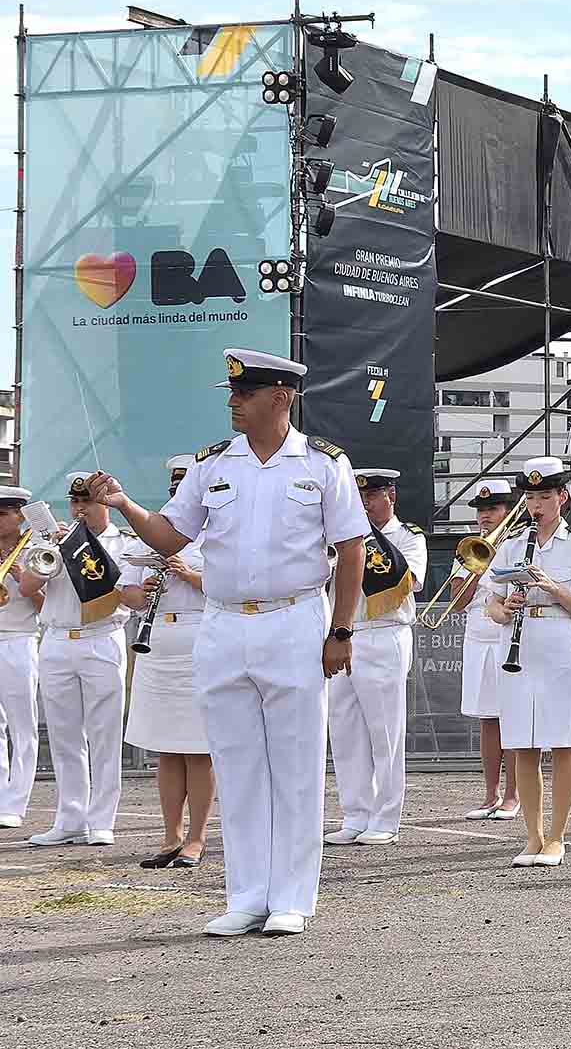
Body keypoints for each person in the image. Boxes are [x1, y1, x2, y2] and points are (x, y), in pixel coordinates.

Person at [89, 347, 370, 937]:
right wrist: (122, 505)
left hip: (293, 619)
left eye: (244, 393)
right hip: (222, 623)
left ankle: (292, 896)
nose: (233, 403)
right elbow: (170, 533)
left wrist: (340, 629)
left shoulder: (323, 464)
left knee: (294, 764)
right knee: (237, 765)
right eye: (231, 394)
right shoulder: (212, 464)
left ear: (280, 396)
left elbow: (350, 549)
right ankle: (246, 895)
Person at [484, 457, 571, 868]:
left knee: (563, 741)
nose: (536, 505)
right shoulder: (512, 544)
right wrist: (506, 606)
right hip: (517, 643)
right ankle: (533, 836)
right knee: (522, 744)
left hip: (557, 644)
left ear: (562, 498)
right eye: (531, 497)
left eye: (545, 497)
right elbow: (492, 605)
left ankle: (557, 837)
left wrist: (553, 589)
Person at [25, 472, 145, 847]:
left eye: (87, 502)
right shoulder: (56, 541)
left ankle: (101, 820)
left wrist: (84, 550)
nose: (80, 509)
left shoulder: (122, 543)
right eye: (75, 502)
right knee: (63, 736)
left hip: (100, 639)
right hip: (57, 639)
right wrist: (51, 548)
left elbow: (129, 594)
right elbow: (28, 588)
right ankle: (70, 816)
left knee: (104, 734)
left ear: (103, 503)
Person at [324, 468, 426, 847]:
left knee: (384, 731)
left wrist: (369, 540)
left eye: (373, 496)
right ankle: (355, 813)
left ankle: (385, 817)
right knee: (345, 729)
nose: (365, 503)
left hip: (384, 634)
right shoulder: (338, 540)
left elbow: (409, 582)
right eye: (360, 497)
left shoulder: (408, 536)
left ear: (391, 497)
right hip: (342, 633)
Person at [123, 456, 214, 868]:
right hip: (157, 637)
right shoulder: (151, 533)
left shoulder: (216, 534)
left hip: (200, 635)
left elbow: (235, 586)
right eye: (175, 487)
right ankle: (170, 834)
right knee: (165, 748)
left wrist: (190, 575)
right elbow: (125, 593)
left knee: (198, 749)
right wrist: (144, 589)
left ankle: (197, 837)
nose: (179, 494)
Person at [456, 480, 519, 821]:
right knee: (488, 719)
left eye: (492, 509)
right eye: (481, 511)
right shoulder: (469, 547)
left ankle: (513, 795)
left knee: (512, 717)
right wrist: (473, 566)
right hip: (478, 638)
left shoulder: (520, 544)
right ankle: (490, 793)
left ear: (507, 512)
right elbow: (457, 601)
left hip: (507, 637)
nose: (485, 517)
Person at [0, 485, 46, 830]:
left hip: (19, 638)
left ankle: (16, 801)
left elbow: (49, 605)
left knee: (22, 724)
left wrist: (22, 578)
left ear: (19, 516)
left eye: (2, 514)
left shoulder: (35, 551)